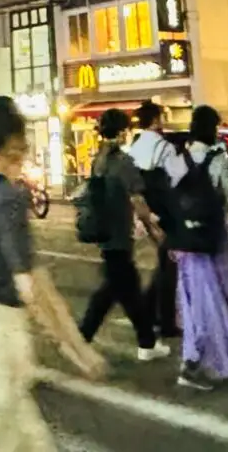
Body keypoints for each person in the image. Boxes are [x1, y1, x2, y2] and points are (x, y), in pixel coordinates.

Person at [0, 97, 101, 451]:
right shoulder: (9, 198)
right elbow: (34, 287)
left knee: (27, 439)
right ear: (14, 144)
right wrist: (75, 349)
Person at [157, 104, 228, 392]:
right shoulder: (218, 161)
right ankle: (205, 362)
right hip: (214, 239)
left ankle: (202, 359)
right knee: (224, 299)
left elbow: (168, 199)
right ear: (212, 129)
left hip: (187, 243)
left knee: (194, 304)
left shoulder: (178, 160)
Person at [75, 108, 161, 360]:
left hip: (104, 230)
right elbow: (137, 199)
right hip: (119, 232)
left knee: (123, 288)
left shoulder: (98, 159)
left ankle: (146, 342)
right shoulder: (123, 162)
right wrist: (154, 230)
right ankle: (83, 338)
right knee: (116, 289)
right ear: (123, 131)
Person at [123, 101, 180, 343]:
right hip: (165, 210)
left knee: (165, 262)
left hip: (143, 209)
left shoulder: (133, 148)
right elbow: (176, 178)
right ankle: (164, 320)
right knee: (170, 265)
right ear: (156, 121)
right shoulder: (164, 147)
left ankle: (149, 311)